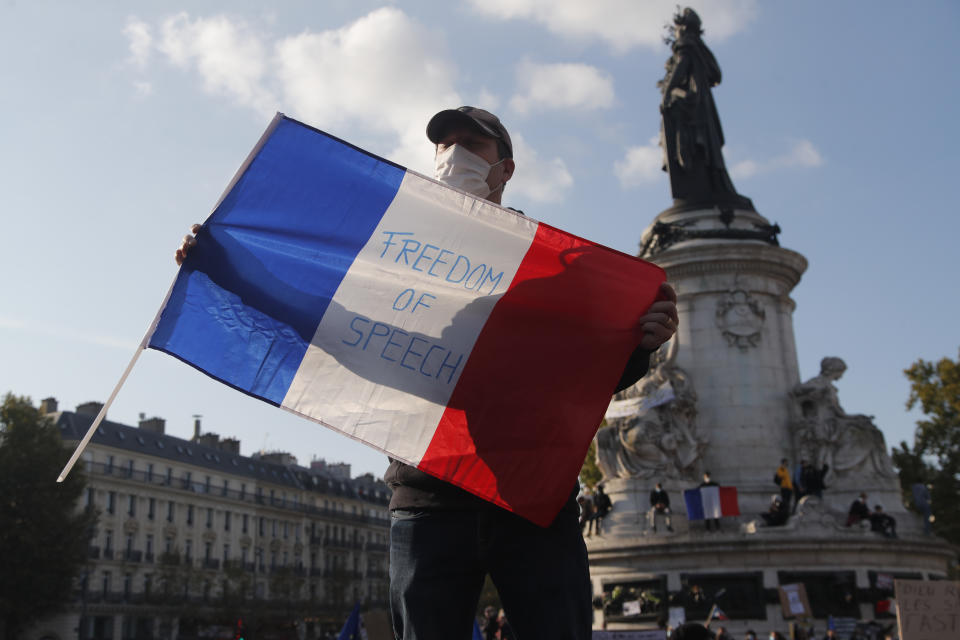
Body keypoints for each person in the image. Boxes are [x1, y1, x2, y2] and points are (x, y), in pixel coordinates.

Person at [174, 106, 680, 640]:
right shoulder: (395, 260)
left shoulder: (556, 268)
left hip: (529, 496)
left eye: (471, 145)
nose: (452, 154)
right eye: (444, 145)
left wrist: (642, 346)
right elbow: (332, 321)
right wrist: (228, 267)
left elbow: (582, 376)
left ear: (504, 169)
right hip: (429, 495)